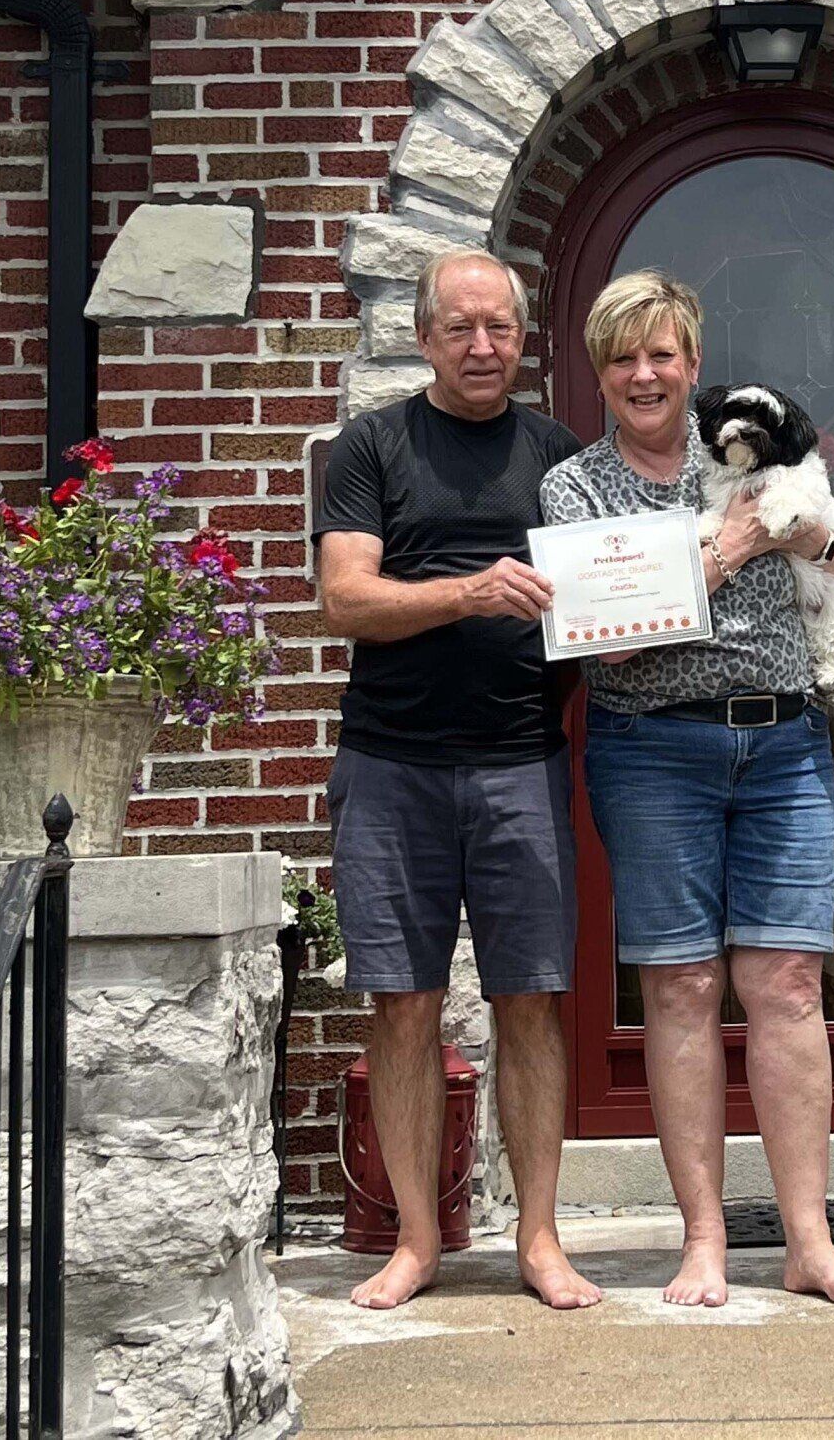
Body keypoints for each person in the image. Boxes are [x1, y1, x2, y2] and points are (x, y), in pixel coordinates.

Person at [539, 269, 834, 1310]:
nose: (644, 373)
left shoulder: (750, 442)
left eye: (662, 354)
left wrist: (807, 534)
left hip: (784, 745)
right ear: (599, 373)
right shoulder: (578, 488)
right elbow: (614, 629)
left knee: (785, 987)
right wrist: (735, 544)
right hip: (653, 750)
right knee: (682, 987)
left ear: (691, 363)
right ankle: (702, 1241)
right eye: (621, 356)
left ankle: (808, 1243)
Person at [314, 249, 600, 1312]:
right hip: (391, 765)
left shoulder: (560, 453)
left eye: (501, 329)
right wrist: (470, 592)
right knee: (405, 1004)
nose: (483, 347)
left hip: (524, 759)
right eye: (461, 328)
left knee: (531, 1001)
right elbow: (345, 599)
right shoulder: (371, 445)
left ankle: (538, 1238)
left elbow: (604, 590)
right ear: (425, 337)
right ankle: (417, 1240)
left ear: (524, 340)